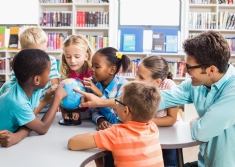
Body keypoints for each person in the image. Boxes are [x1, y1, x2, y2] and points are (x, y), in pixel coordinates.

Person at [74, 30, 235, 167]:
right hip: (203, 162)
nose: (186, 71)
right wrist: (101, 101)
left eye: (190, 67)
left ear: (211, 70)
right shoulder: (195, 85)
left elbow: (202, 131)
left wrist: (196, 123)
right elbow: (148, 101)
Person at [68, 81, 164, 167]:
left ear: (125, 111)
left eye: (118, 101)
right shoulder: (153, 127)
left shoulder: (116, 134)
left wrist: (101, 134)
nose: (116, 103)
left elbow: (72, 143)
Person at [0, 49, 67, 145]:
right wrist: (57, 98)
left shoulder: (33, 88)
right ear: (37, 79)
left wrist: (17, 136)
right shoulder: (17, 101)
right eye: (48, 73)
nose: (49, 77)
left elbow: (31, 118)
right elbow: (42, 128)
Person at [0, 26, 60, 113]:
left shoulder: (51, 61)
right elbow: (17, 92)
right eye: (36, 53)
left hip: (46, 109)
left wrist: (55, 102)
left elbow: (55, 84)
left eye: (44, 51)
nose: (42, 57)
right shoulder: (20, 64)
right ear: (23, 52)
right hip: (27, 110)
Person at [135, 55, 180, 167]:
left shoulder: (169, 86)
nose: (136, 79)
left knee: (170, 160)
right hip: (148, 129)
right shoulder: (138, 87)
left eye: (141, 77)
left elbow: (171, 119)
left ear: (157, 82)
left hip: (168, 131)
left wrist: (144, 120)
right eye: (137, 74)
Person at [59, 34, 93, 120]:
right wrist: (63, 112)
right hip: (71, 117)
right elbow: (60, 99)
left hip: (91, 117)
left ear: (86, 56)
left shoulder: (93, 75)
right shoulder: (65, 77)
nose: (72, 61)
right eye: (68, 57)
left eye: (77, 56)